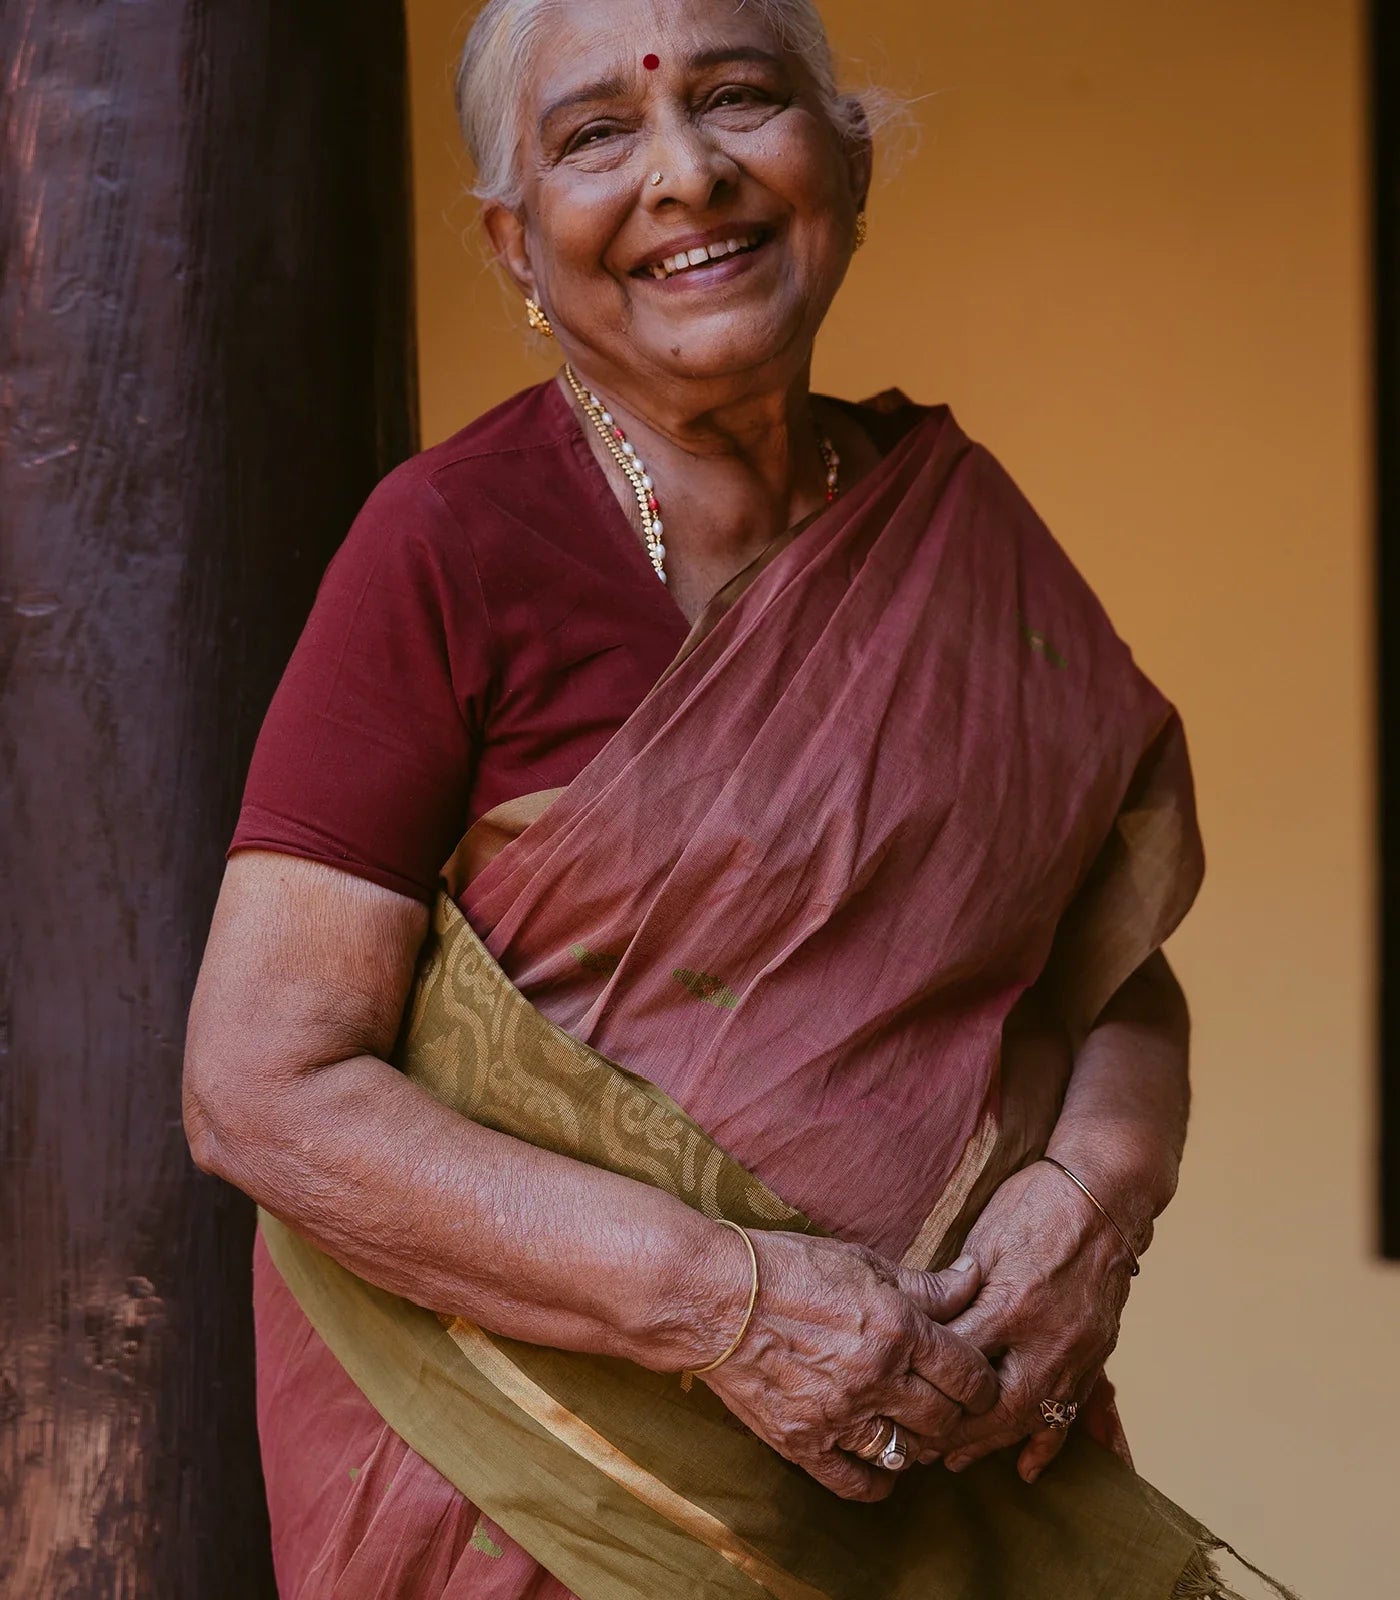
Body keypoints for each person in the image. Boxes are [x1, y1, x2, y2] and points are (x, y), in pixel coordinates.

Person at [183, 2, 1293, 1596]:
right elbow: (260, 1082)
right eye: (597, 134)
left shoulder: (953, 543)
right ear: (514, 241)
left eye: (741, 99)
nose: (687, 173)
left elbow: (1104, 963)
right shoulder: (450, 547)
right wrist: (736, 1306)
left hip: (964, 1473)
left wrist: (1093, 1205)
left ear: (845, 167)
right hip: (554, 1495)